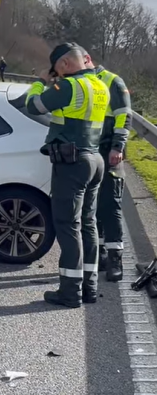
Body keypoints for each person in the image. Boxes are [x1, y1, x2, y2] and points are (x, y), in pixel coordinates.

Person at [26, 43, 109, 308]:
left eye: (57, 71)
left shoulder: (69, 86)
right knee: (88, 223)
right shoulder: (100, 85)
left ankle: (70, 292)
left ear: (63, 65)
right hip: (95, 160)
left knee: (67, 224)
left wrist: (41, 82)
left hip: (72, 162)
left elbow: (34, 106)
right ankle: (89, 287)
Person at [76, 46, 131, 282]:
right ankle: (98, 254)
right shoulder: (80, 83)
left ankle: (115, 258)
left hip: (110, 152)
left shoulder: (112, 81)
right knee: (92, 207)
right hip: (91, 154)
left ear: (87, 60)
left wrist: (118, 147)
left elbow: (124, 115)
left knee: (111, 206)